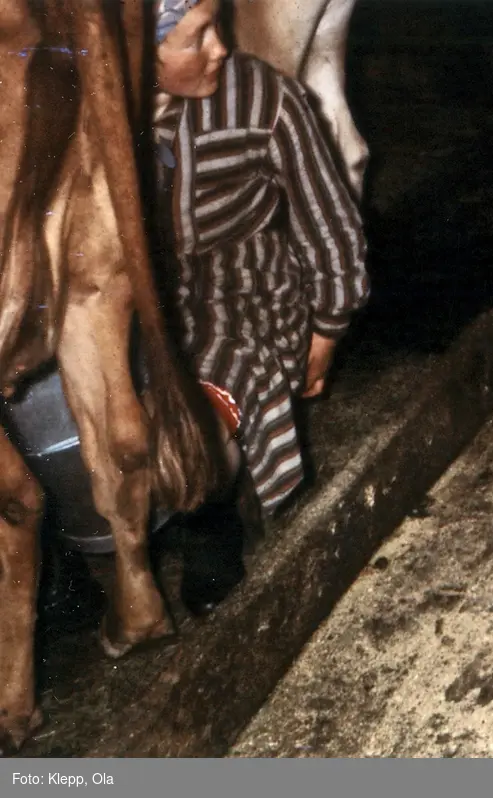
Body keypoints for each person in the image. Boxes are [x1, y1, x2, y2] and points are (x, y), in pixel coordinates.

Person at [151, 0, 370, 615]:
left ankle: (219, 523)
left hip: (246, 285)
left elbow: (331, 224)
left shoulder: (263, 98)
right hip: (153, 292)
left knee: (214, 383)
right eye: (197, 39)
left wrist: (327, 330)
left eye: (220, 26)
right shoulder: (108, 123)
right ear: (142, 55)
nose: (222, 46)